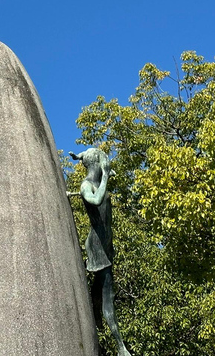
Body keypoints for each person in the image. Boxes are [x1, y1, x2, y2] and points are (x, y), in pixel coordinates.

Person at [69, 148, 132, 356]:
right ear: (97, 163)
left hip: (106, 246)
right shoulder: (87, 185)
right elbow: (94, 200)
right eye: (105, 162)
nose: (107, 165)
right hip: (96, 247)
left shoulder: (96, 185)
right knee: (108, 295)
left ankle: (95, 314)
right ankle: (121, 347)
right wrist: (105, 176)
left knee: (101, 291)